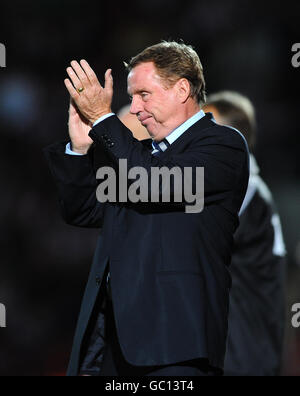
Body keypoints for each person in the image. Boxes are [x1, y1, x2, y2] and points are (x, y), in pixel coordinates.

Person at [44, 41, 249, 376]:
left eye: (144, 94)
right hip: (112, 344)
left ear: (182, 89)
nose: (135, 107)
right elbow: (83, 210)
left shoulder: (222, 145)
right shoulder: (135, 155)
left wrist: (102, 118)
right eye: (131, 96)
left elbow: (155, 184)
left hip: (175, 346)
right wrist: (80, 149)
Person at [203, 91, 286, 376]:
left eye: (208, 125)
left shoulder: (245, 187)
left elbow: (192, 233)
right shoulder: (245, 185)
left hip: (245, 353)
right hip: (240, 349)